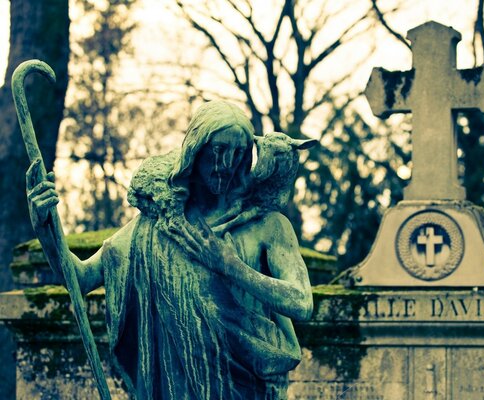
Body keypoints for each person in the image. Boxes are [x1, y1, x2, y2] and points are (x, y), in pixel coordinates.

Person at [26, 100, 313, 399]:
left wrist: (231, 266)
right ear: (195, 150)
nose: (225, 164)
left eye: (237, 154)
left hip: (246, 387)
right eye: (218, 151)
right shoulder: (157, 226)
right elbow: (80, 277)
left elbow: (302, 303)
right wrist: (45, 227)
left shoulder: (267, 225)